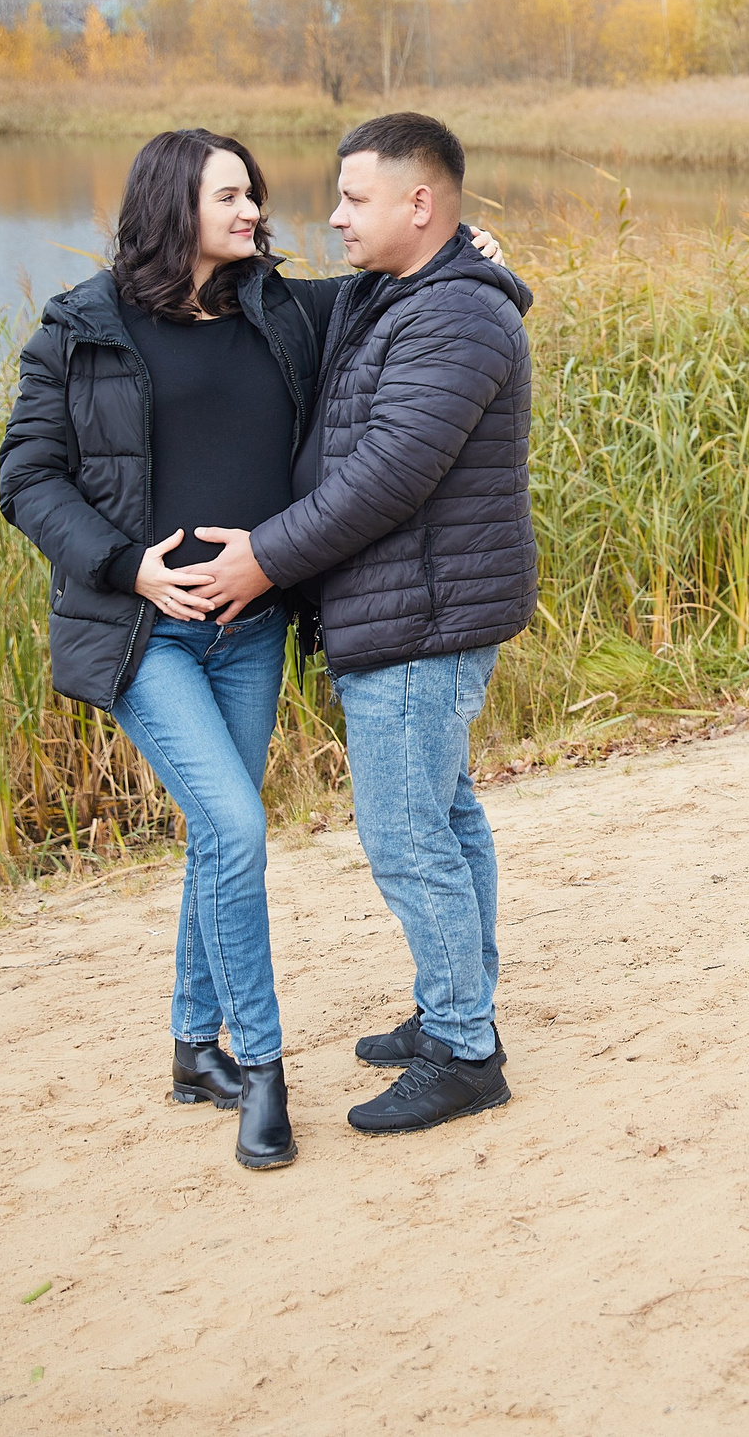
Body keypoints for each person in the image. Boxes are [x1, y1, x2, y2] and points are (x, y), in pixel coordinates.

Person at [0, 129, 336, 1172]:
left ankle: (195, 1049)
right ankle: (263, 1068)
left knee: (215, 839)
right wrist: (125, 566)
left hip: (253, 631)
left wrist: (479, 260)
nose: (253, 210)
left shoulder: (282, 307)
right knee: (236, 825)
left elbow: (401, 294)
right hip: (148, 632)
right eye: (230, 196)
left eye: (254, 195)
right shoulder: (81, 330)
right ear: (173, 206)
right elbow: (28, 478)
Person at [191, 112, 536, 1137]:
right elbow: (290, 314)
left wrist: (262, 557)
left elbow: (384, 479)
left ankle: (466, 1051)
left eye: (353, 198)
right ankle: (453, 1012)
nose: (333, 217)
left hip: (419, 614)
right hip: (412, 605)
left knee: (404, 835)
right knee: (446, 814)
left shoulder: (458, 317)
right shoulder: (406, 294)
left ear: (419, 204)